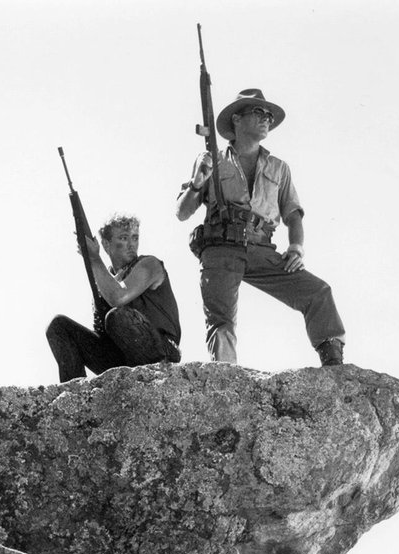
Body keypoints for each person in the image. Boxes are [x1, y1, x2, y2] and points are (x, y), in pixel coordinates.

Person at [176, 87, 346, 367]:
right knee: (222, 322)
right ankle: (226, 377)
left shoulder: (279, 168)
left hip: (260, 248)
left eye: (269, 115)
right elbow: (182, 213)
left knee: (318, 292)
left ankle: (334, 365)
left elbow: (293, 215)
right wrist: (197, 183)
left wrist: (296, 248)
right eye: (258, 112)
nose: (266, 118)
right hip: (221, 249)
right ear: (236, 119)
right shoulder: (212, 160)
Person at [46, 213, 182, 382]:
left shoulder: (150, 264)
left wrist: (94, 258)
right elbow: (102, 335)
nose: (131, 244)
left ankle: (154, 380)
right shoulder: (106, 281)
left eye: (135, 238)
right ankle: (75, 392)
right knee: (58, 326)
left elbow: (118, 297)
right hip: (123, 357)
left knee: (117, 317)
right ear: (106, 244)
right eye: (124, 238)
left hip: (161, 351)